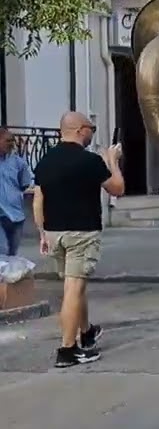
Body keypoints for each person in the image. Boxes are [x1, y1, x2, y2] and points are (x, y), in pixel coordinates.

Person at [33, 111, 125, 368]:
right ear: (79, 130)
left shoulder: (45, 161)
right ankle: (67, 349)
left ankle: (86, 332)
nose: (92, 133)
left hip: (54, 233)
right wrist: (112, 160)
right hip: (81, 233)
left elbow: (39, 199)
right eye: (91, 129)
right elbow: (117, 188)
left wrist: (41, 232)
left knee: (75, 286)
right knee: (73, 290)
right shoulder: (90, 161)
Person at [0, 128, 34, 256]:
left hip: (16, 215)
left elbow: (24, 184)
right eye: (7, 141)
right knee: (2, 252)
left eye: (12, 141)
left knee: (12, 255)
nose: (11, 144)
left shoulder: (18, 163)